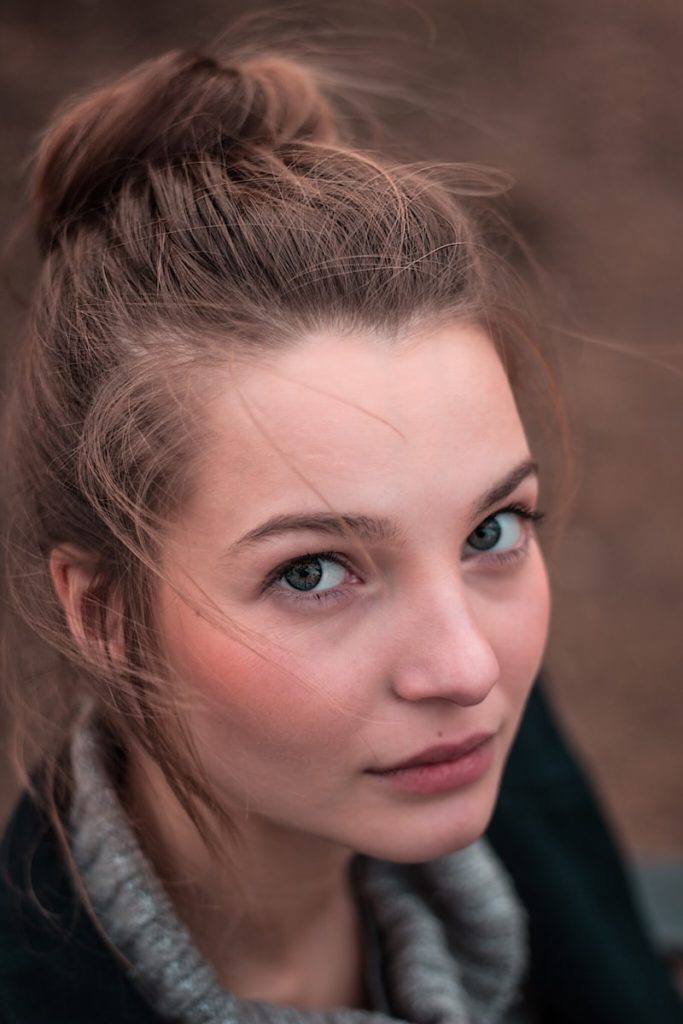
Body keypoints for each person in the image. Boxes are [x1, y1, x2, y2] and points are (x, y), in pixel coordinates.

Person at [0, 44, 680, 1024]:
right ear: (104, 612)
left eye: (490, 529)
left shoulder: (483, 753)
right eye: (314, 571)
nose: (465, 668)